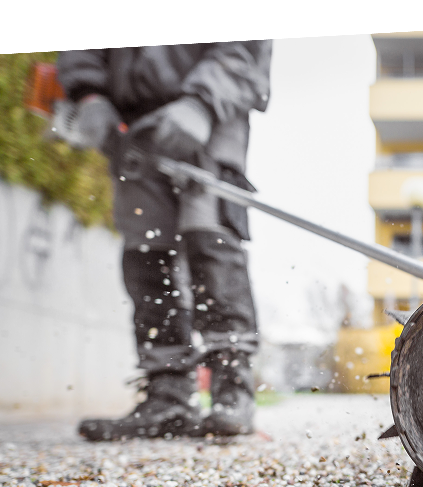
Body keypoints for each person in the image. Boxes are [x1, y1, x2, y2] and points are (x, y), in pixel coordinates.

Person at [55, 43, 271, 440]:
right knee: (146, 247)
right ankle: (166, 394)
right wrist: (88, 93)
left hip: (211, 111)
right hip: (132, 122)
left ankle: (231, 388)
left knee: (209, 235)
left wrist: (203, 102)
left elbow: (243, 49)